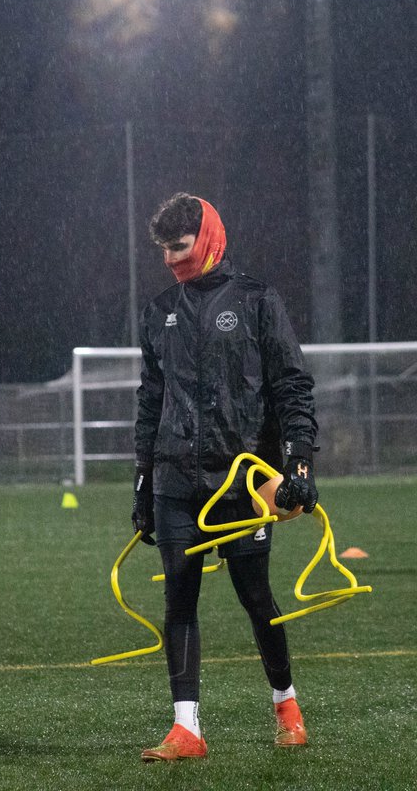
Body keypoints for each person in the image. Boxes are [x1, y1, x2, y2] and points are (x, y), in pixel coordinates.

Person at [131, 193, 319, 762]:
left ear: (208, 237)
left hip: (239, 483)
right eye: (162, 249)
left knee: (256, 597)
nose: (169, 259)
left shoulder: (258, 300)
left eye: (179, 247)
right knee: (179, 601)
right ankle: (186, 729)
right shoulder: (159, 309)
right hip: (174, 482)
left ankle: (287, 706)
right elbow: (150, 401)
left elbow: (292, 387)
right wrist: (142, 481)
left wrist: (300, 464)